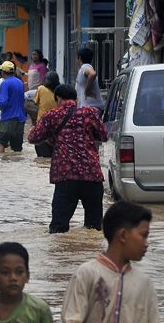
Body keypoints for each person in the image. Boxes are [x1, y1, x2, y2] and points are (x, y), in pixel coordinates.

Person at [27, 84, 108, 233]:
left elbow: (33, 138)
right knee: (94, 229)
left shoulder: (51, 116)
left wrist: (51, 136)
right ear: (76, 99)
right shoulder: (90, 113)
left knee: (58, 229)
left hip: (66, 177)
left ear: (57, 98)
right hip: (91, 175)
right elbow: (104, 136)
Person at [0, 61, 26, 153]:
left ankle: (2, 165)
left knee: (0, 142)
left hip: (8, 119)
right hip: (21, 119)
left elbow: (3, 102)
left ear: (2, 72)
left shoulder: (4, 83)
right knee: (17, 148)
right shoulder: (20, 82)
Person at [31, 71, 60, 158]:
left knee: (41, 155)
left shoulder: (41, 89)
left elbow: (35, 102)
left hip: (42, 124)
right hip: (56, 124)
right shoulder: (60, 90)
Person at [75, 47, 104, 112]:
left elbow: (92, 74)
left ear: (79, 58)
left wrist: (87, 90)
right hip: (89, 108)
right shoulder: (86, 67)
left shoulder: (85, 67)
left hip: (89, 109)